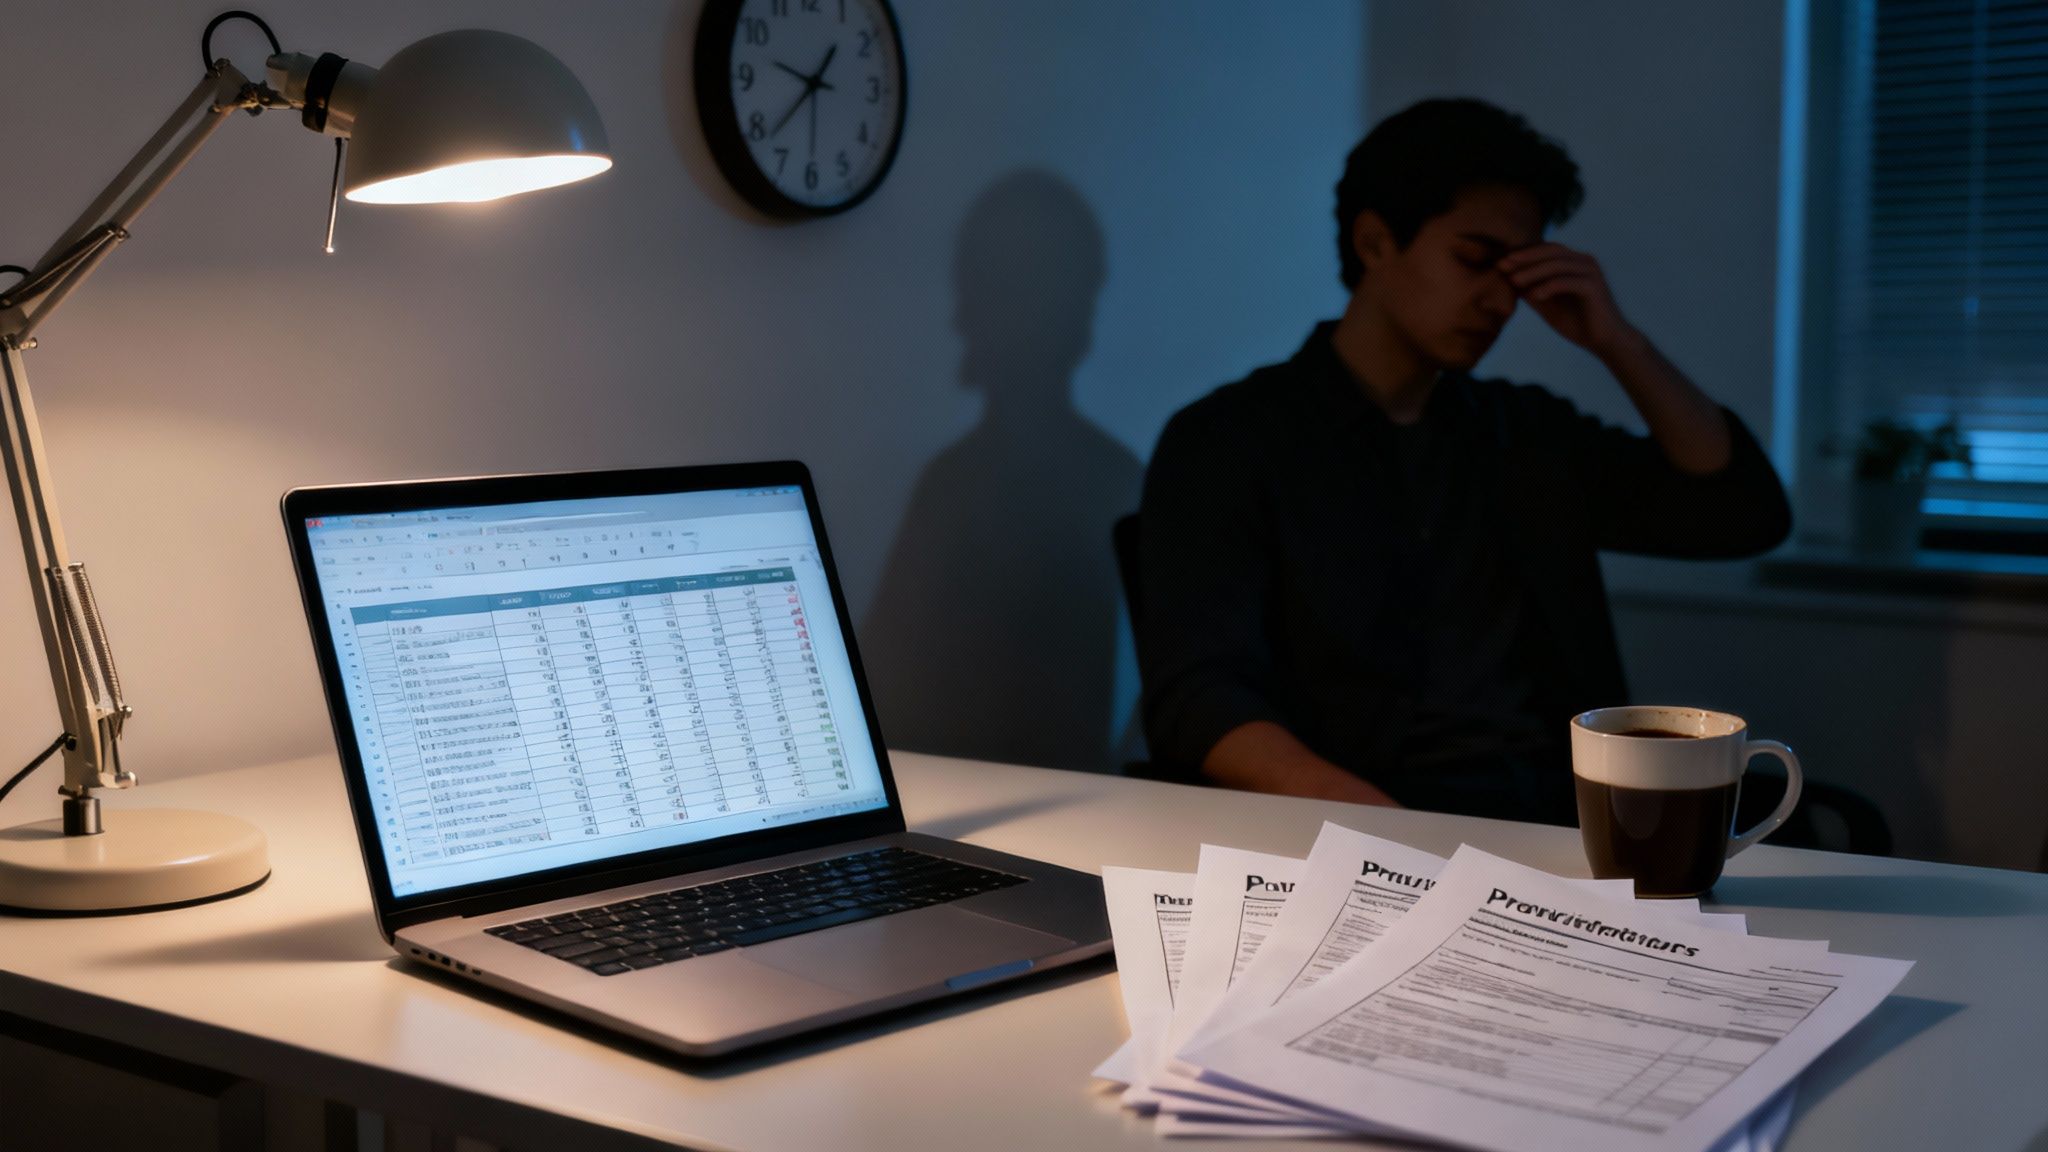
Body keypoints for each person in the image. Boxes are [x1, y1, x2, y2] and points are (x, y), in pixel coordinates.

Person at [1134, 98, 1791, 825]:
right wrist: (1392, 836)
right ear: (1375, 242)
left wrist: (1619, 344)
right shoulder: (1230, 440)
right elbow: (1199, 700)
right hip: (1357, 829)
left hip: (1560, 824)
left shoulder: (1520, 432)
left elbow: (1740, 514)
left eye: (1517, 273)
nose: (1500, 301)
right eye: (1475, 260)